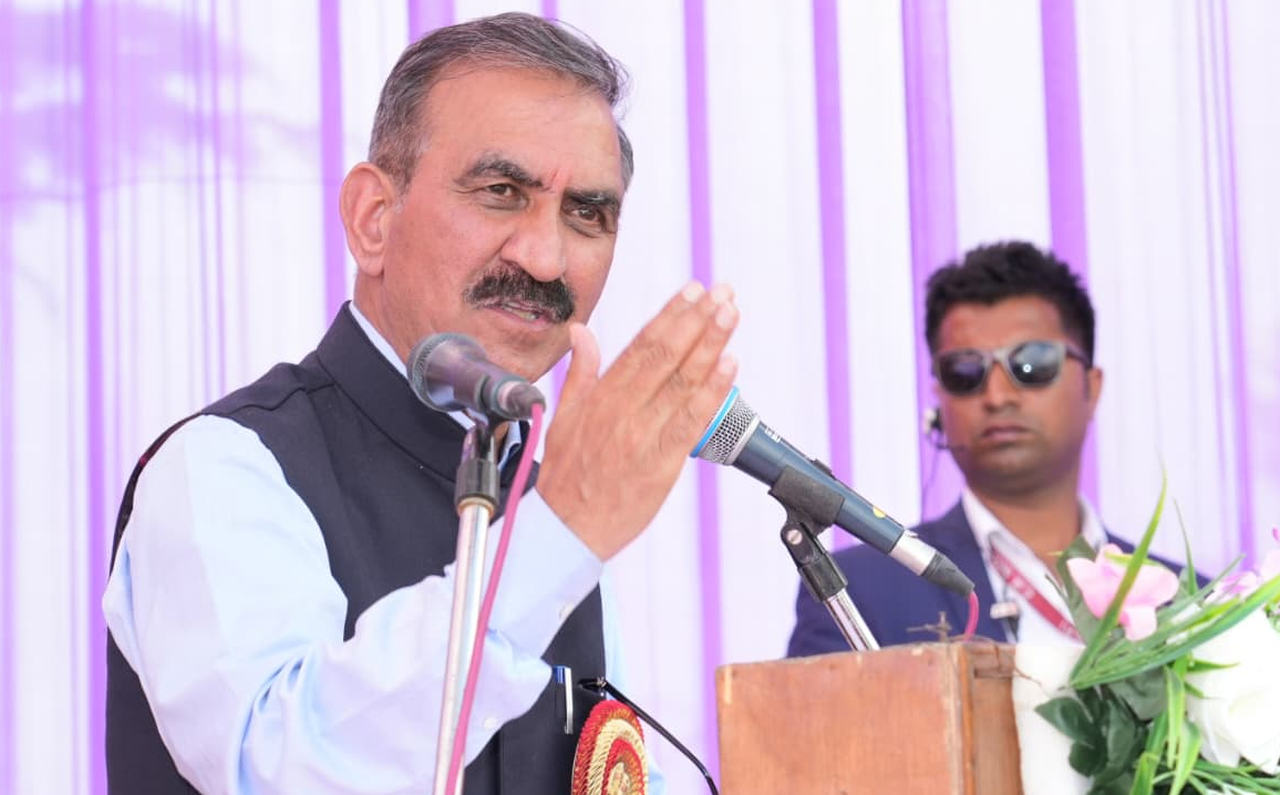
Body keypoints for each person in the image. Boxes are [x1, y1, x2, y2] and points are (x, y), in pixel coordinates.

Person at [104, 13, 738, 794]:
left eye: (586, 213)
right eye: (501, 192)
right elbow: (278, 768)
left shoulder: (543, 502)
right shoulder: (225, 466)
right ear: (373, 219)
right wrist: (561, 534)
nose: (546, 257)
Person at [789, 240, 1116, 653]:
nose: (997, 396)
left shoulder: (1182, 603)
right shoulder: (855, 593)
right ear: (939, 400)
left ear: (1092, 387)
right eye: (965, 371)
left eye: (1031, 363)